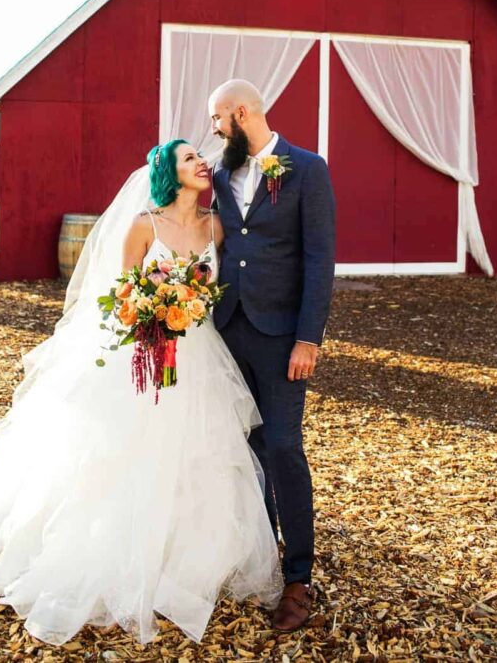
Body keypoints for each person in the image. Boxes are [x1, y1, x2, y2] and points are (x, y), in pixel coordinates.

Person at [0, 140, 283, 647]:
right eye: (188, 159)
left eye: (200, 157)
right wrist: (152, 313)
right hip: (140, 351)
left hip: (197, 355)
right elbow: (118, 295)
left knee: (197, 451)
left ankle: (187, 556)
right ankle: (115, 552)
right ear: (168, 173)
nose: (201, 163)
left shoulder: (215, 226)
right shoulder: (143, 225)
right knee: (123, 453)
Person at [209, 79, 336, 633]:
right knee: (246, 448)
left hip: (283, 337)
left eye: (218, 118)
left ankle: (297, 577)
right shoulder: (217, 172)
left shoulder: (307, 168)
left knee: (284, 447)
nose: (213, 129)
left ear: (242, 112)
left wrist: (308, 338)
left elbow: (319, 259)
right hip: (226, 329)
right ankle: (259, 559)